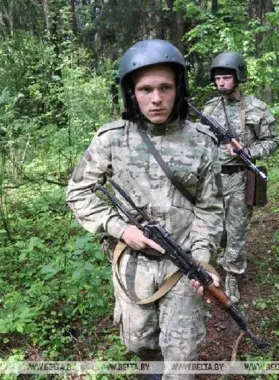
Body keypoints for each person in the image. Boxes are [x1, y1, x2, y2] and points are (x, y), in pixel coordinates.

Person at [66, 39, 223, 379]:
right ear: (131, 93)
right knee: (140, 344)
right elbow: (78, 193)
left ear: (177, 89)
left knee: (181, 359)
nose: (156, 98)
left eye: (165, 87)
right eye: (146, 89)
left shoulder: (201, 142)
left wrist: (202, 258)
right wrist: (122, 230)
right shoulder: (111, 139)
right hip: (132, 267)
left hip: (182, 267)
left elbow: (210, 208)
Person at [203, 51, 279, 304]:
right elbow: (200, 143)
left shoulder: (257, 108)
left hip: (240, 178)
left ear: (238, 78)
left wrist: (248, 151)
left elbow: (273, 140)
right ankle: (213, 265)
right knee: (215, 228)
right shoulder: (210, 108)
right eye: (217, 79)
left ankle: (232, 274)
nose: (221, 83)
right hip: (212, 179)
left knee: (236, 228)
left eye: (226, 78)